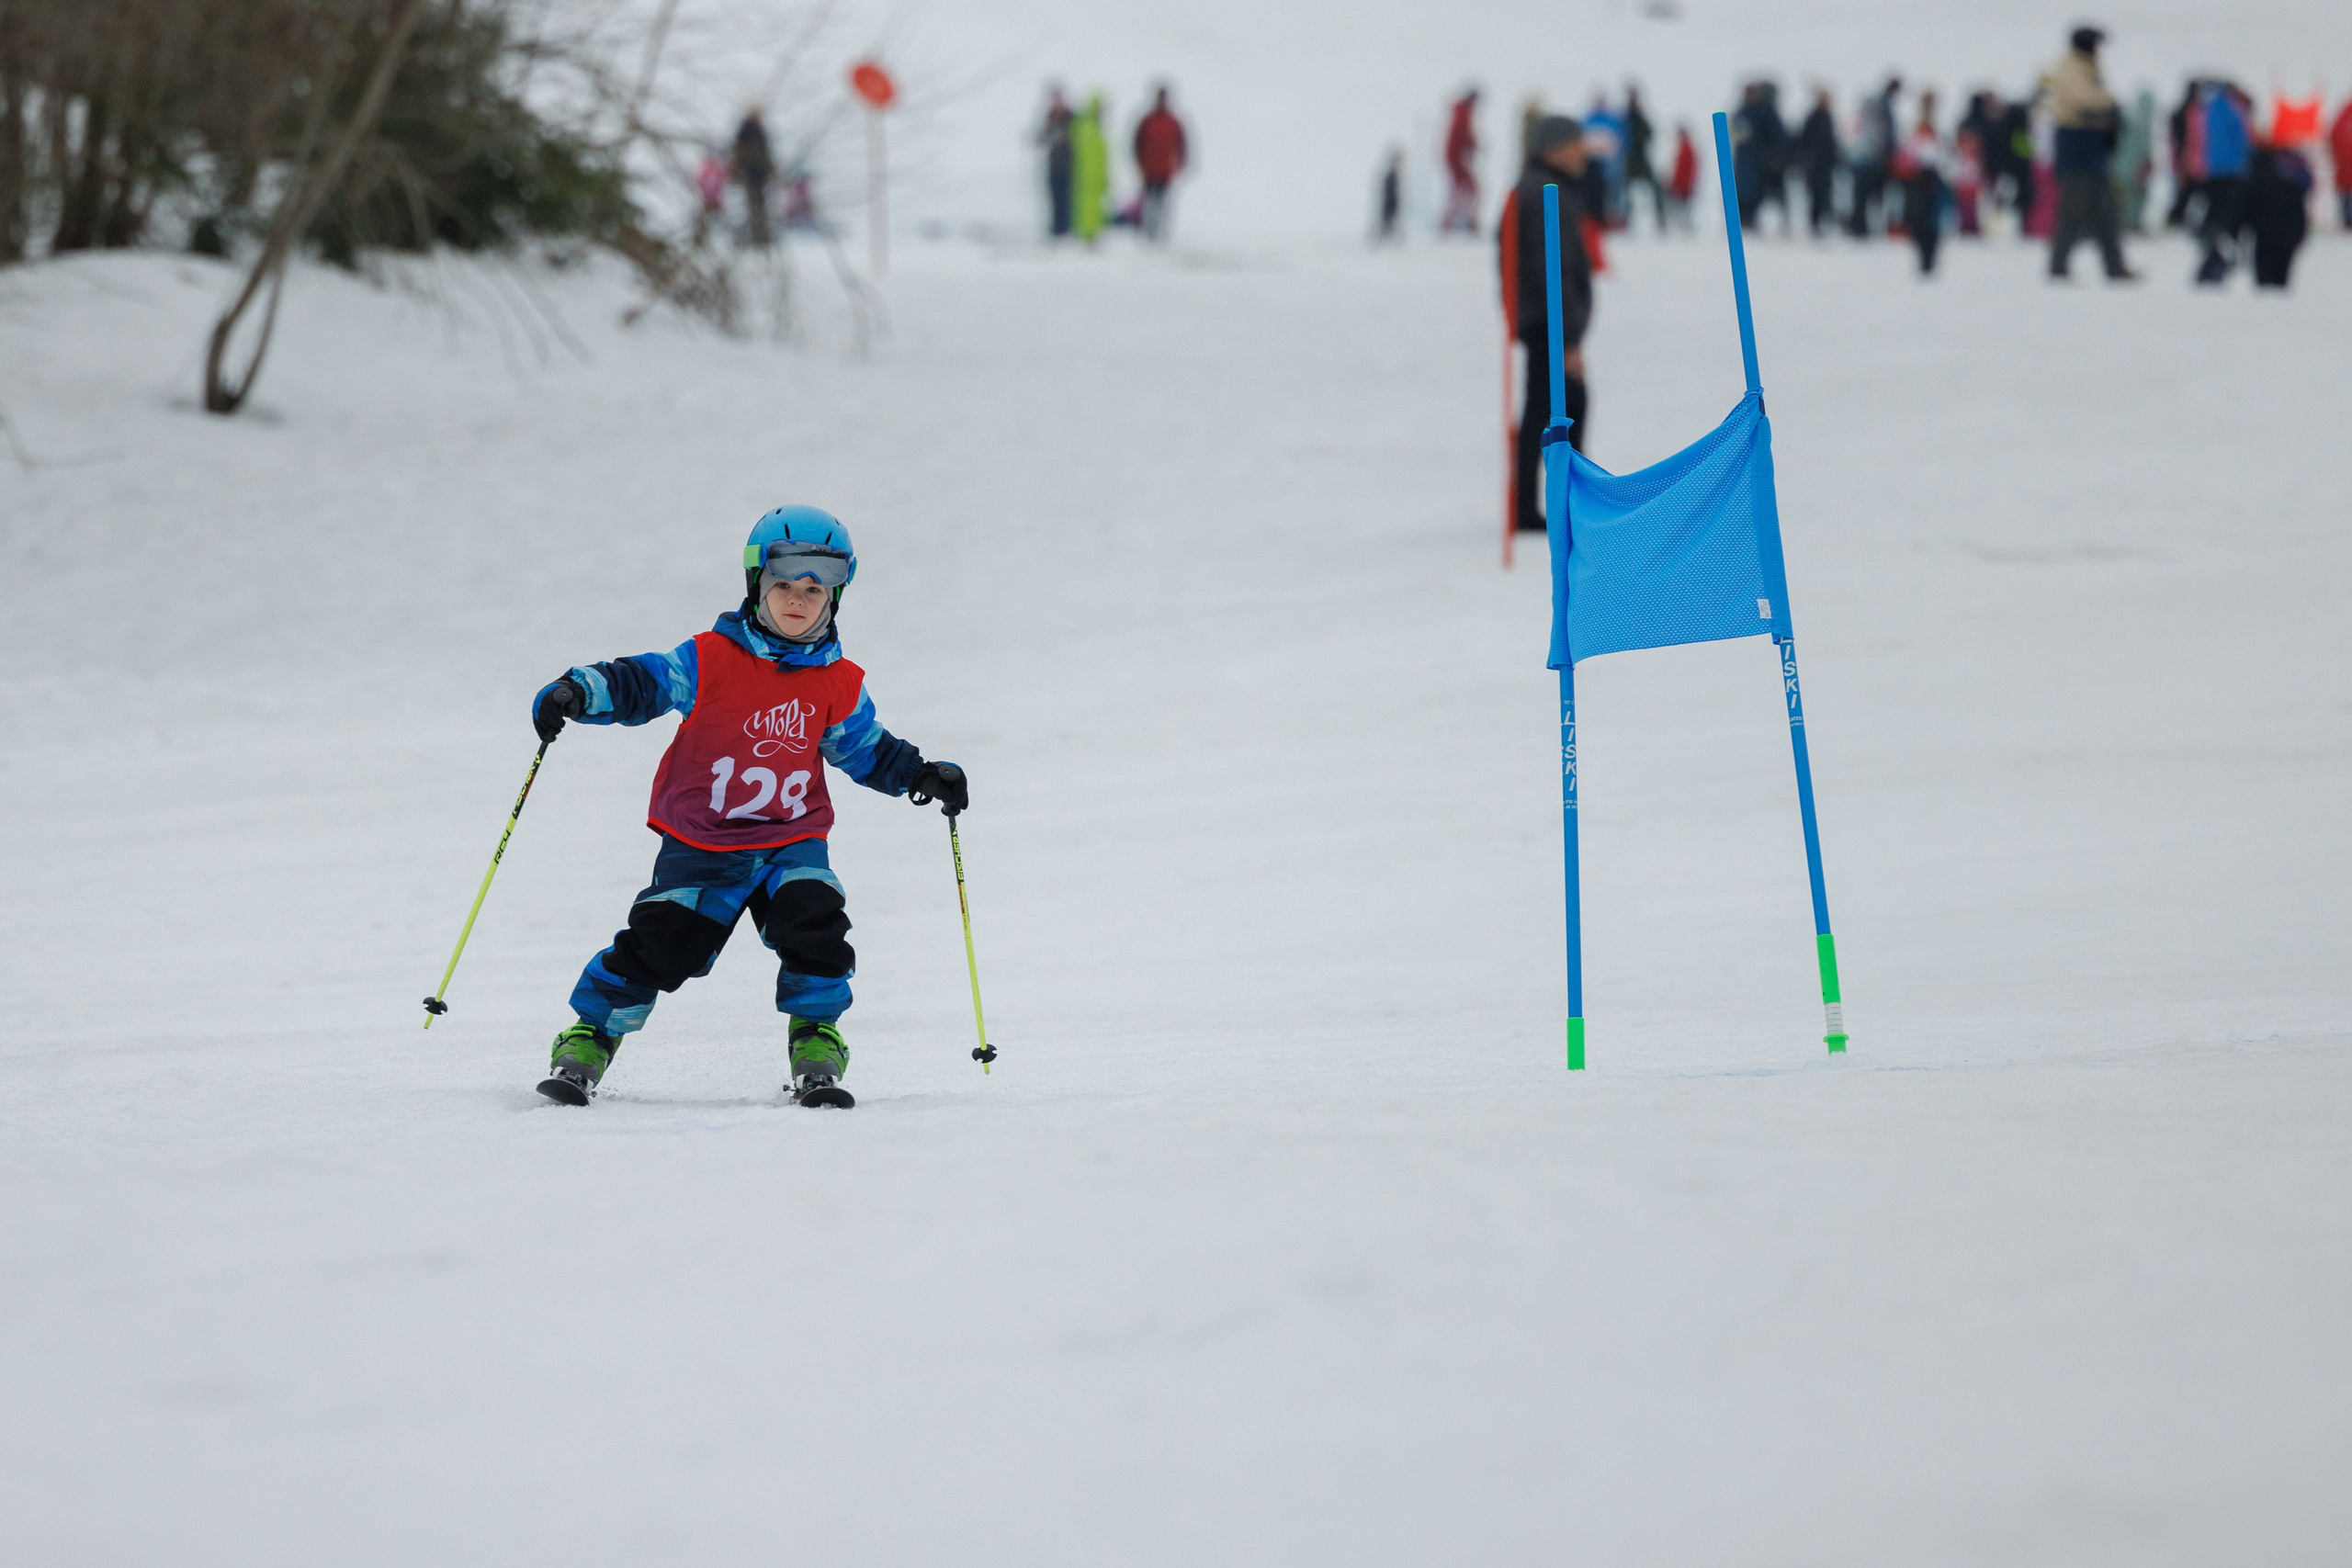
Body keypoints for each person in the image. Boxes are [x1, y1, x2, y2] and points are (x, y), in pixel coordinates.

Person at [526, 507, 969, 1110]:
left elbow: (864, 749)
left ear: (835, 597)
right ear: (757, 584)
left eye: (814, 590)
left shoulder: (837, 682)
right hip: (704, 840)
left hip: (791, 839)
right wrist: (580, 691)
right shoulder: (709, 658)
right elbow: (643, 683)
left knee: (815, 925)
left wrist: (920, 774)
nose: (798, 600)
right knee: (663, 944)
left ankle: (816, 1041)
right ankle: (591, 1038)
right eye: (784, 585)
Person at [1498, 115, 1594, 534]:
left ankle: (1549, 503)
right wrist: (1567, 338)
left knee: (1552, 408)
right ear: (1553, 149)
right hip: (1548, 324)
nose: (1583, 151)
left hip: (1547, 322)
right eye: (1575, 142)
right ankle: (1548, 506)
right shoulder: (1545, 193)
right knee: (1554, 411)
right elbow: (1551, 269)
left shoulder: (1544, 188)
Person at [2041, 28, 2135, 280]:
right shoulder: (2072, 69)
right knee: (2073, 211)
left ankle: (2114, 266)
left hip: (2092, 151)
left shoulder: (2086, 69)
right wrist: (2110, 109)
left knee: (2107, 212)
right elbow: (2083, 102)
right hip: (2077, 149)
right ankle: (2058, 266)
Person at [2196, 82, 2252, 283]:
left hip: (2212, 171)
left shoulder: (2208, 113)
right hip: (2233, 172)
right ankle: (2225, 251)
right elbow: (2244, 142)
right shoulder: (2235, 112)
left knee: (2214, 213)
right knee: (2230, 216)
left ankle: (2211, 245)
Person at [2245, 139, 2312, 288]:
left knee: (2264, 284)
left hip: (2264, 239)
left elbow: (2246, 213)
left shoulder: (2254, 186)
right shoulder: (2291, 185)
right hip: (2287, 239)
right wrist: (2300, 236)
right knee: (2281, 283)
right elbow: (2300, 214)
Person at [1894, 92, 1946, 274]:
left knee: (1926, 222)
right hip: (1918, 179)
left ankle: (1927, 261)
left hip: (1925, 179)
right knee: (1922, 222)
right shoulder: (1918, 132)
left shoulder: (1931, 132)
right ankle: (1925, 261)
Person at [1133, 85, 1188, 243]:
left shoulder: (1172, 122)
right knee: (1150, 202)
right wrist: (1140, 163)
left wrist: (1181, 163)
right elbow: (1138, 144)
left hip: (1165, 170)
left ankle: (1161, 232)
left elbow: (1181, 145)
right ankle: (1149, 231)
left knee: (1163, 203)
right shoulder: (1147, 121)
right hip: (1149, 170)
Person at [1848, 76, 1901, 236]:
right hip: (1873, 159)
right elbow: (1884, 136)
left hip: (1868, 159)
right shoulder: (1882, 106)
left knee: (1864, 197)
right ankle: (1862, 227)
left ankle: (1862, 226)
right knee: (1870, 196)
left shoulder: (1877, 105)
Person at [1795, 87, 1841, 236]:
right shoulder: (1814, 118)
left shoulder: (1827, 118)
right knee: (1816, 195)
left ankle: (1822, 222)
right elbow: (1805, 141)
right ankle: (1814, 223)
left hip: (1826, 165)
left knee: (1825, 194)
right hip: (1815, 164)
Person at [732, 107, 775, 248]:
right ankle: (755, 233)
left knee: (760, 205)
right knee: (752, 205)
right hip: (750, 174)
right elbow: (739, 152)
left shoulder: (760, 130)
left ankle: (761, 233)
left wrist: (769, 170)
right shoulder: (745, 130)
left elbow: (766, 152)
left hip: (760, 175)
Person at [2114, 88, 2156, 232]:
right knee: (2132, 197)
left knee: (2129, 197)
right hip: (2131, 169)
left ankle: (2126, 222)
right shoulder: (2140, 126)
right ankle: (2129, 223)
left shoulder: (2130, 123)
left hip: (2125, 168)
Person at [1623, 85, 1663, 231]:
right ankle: (1627, 221)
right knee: (1626, 192)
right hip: (1630, 159)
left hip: (1641, 158)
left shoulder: (1639, 116)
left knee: (1655, 189)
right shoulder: (1625, 117)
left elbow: (1649, 133)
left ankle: (1660, 220)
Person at [1071, 94, 1110, 243]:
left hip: (1095, 176)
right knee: (1087, 206)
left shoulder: (1095, 127)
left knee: (1094, 207)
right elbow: (1084, 153)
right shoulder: (1087, 127)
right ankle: (1087, 234)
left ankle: (1092, 232)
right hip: (1087, 176)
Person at [1036, 86, 1075, 238]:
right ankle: (1057, 228)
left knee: (1066, 198)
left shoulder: (1071, 118)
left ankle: (1066, 228)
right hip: (1053, 166)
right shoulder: (1050, 118)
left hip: (1068, 167)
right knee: (1054, 199)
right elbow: (1042, 139)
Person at [1443, 88, 1481, 232]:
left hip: (1457, 157)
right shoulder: (1463, 113)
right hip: (1459, 158)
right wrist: (1470, 147)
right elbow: (1461, 137)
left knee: (1463, 190)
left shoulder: (1462, 112)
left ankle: (1455, 221)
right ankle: (1462, 222)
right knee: (1468, 190)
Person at [693, 146, 729, 247]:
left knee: (717, 220)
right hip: (709, 201)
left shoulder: (716, 170)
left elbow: (724, 179)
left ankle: (721, 239)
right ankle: (702, 239)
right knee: (705, 221)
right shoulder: (707, 171)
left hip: (714, 201)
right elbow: (699, 182)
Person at [1666, 123, 1698, 230]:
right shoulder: (1686, 148)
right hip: (1684, 184)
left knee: (1682, 207)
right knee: (1683, 207)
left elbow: (1682, 169)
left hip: (1683, 185)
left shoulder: (1686, 149)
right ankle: (1684, 225)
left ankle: (1685, 226)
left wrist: (1676, 183)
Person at [2329, 96, 2352, 228]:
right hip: (2344, 166)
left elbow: (2333, 135)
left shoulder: (2345, 112)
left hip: (2344, 166)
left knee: (2346, 193)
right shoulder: (2346, 111)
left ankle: (2347, 220)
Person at [1375, 149, 1404, 242]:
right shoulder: (1390, 176)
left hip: (1393, 204)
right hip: (1389, 204)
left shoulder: (1395, 175)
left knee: (1392, 224)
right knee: (1387, 223)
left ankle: (1390, 238)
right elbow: (1388, 192)